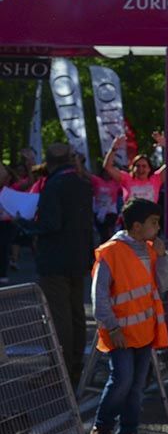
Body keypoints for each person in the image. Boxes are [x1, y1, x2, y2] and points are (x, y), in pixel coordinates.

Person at [89, 199, 168, 434]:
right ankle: (102, 428)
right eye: (154, 223)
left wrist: (163, 256)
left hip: (144, 332)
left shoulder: (151, 250)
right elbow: (99, 295)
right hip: (120, 333)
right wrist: (112, 327)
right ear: (137, 226)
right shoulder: (110, 252)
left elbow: (162, 284)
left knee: (135, 386)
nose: (158, 228)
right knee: (122, 381)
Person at [25, 143, 94, 389]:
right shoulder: (83, 183)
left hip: (55, 259)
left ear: (50, 163)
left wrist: (24, 224)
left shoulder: (54, 185)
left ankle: (60, 371)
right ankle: (74, 367)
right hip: (78, 257)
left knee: (58, 317)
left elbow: (50, 224)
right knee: (76, 314)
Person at [104, 133, 166, 204]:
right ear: (132, 168)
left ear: (149, 169)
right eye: (137, 166)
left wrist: (167, 146)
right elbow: (108, 167)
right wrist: (113, 149)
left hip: (151, 211)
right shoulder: (126, 179)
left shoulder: (156, 179)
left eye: (144, 166)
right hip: (131, 211)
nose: (140, 169)